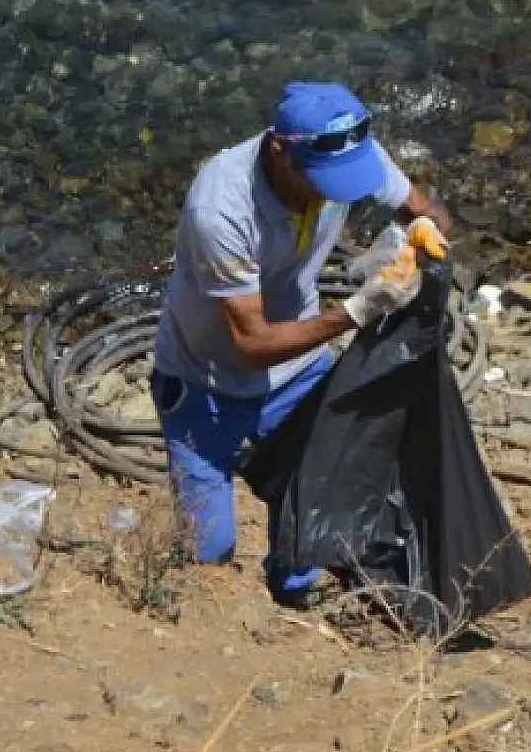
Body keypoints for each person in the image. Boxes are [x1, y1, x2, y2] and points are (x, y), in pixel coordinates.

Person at [149, 80, 455, 608]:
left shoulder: (349, 150)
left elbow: (418, 207)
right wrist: (359, 309)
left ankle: (290, 599)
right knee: (209, 547)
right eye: (320, 179)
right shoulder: (222, 210)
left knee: (313, 508)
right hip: (207, 383)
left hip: (299, 371)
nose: (335, 192)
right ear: (279, 151)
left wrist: (424, 229)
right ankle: (213, 616)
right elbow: (251, 342)